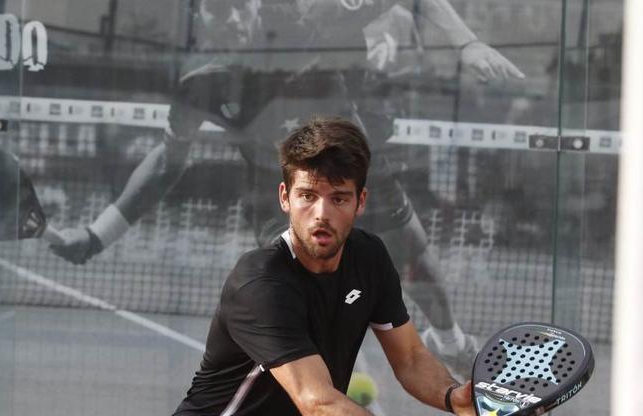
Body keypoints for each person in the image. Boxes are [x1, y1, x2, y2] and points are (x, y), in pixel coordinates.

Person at [49, 0, 526, 378]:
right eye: (219, 10)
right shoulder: (202, 84)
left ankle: (453, 344)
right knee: (301, 306)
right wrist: (96, 236)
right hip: (277, 194)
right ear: (204, 22)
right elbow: (165, 165)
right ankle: (330, 411)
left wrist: (467, 45)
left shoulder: (310, 19)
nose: (233, 15)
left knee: (417, 266)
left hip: (354, 167)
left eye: (240, 5)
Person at [158, 117, 490, 416]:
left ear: (360, 202)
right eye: (307, 195)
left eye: (338, 197)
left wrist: (452, 396)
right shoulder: (261, 282)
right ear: (285, 197)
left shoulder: (370, 259)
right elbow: (317, 404)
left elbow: (411, 358)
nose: (321, 213)